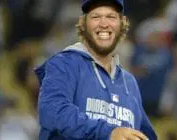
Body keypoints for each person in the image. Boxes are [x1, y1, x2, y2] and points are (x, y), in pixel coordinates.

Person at [34, 0, 158, 140]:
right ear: (83, 23)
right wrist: (108, 132)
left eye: (111, 17)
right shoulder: (64, 64)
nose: (104, 24)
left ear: (122, 24)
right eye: (96, 17)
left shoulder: (128, 82)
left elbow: (144, 134)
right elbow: (52, 112)